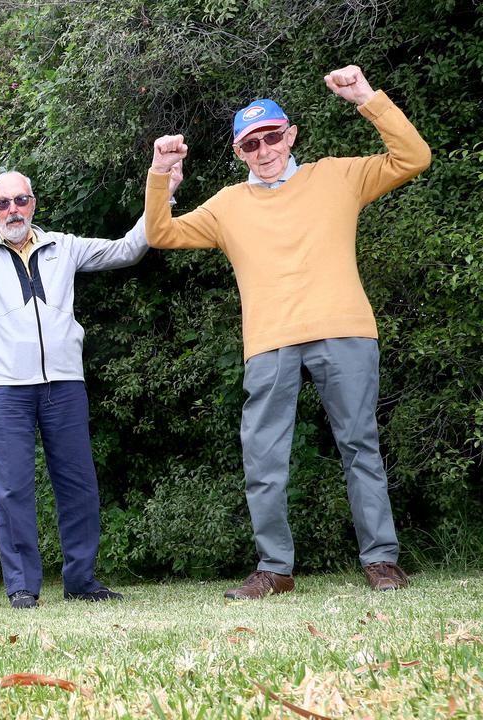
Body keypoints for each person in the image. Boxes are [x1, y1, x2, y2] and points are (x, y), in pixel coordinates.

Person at [146, 65, 431, 600]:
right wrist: (162, 174)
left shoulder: (337, 176)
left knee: (360, 446)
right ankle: (274, 570)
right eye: (251, 143)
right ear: (239, 153)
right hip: (269, 342)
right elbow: (160, 232)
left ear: (290, 134)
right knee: (264, 458)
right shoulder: (228, 205)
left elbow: (414, 158)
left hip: (344, 329)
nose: (264, 149)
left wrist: (367, 98)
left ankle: (381, 561)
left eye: (272, 136)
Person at [0, 141, 182, 608]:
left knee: (79, 484)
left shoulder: (64, 247)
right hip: (4, 389)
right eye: (2, 203)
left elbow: (128, 249)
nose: (12, 210)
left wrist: (163, 194)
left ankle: (82, 582)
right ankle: (23, 588)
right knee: (12, 490)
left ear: (33, 203)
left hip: (64, 384)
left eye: (20, 200)